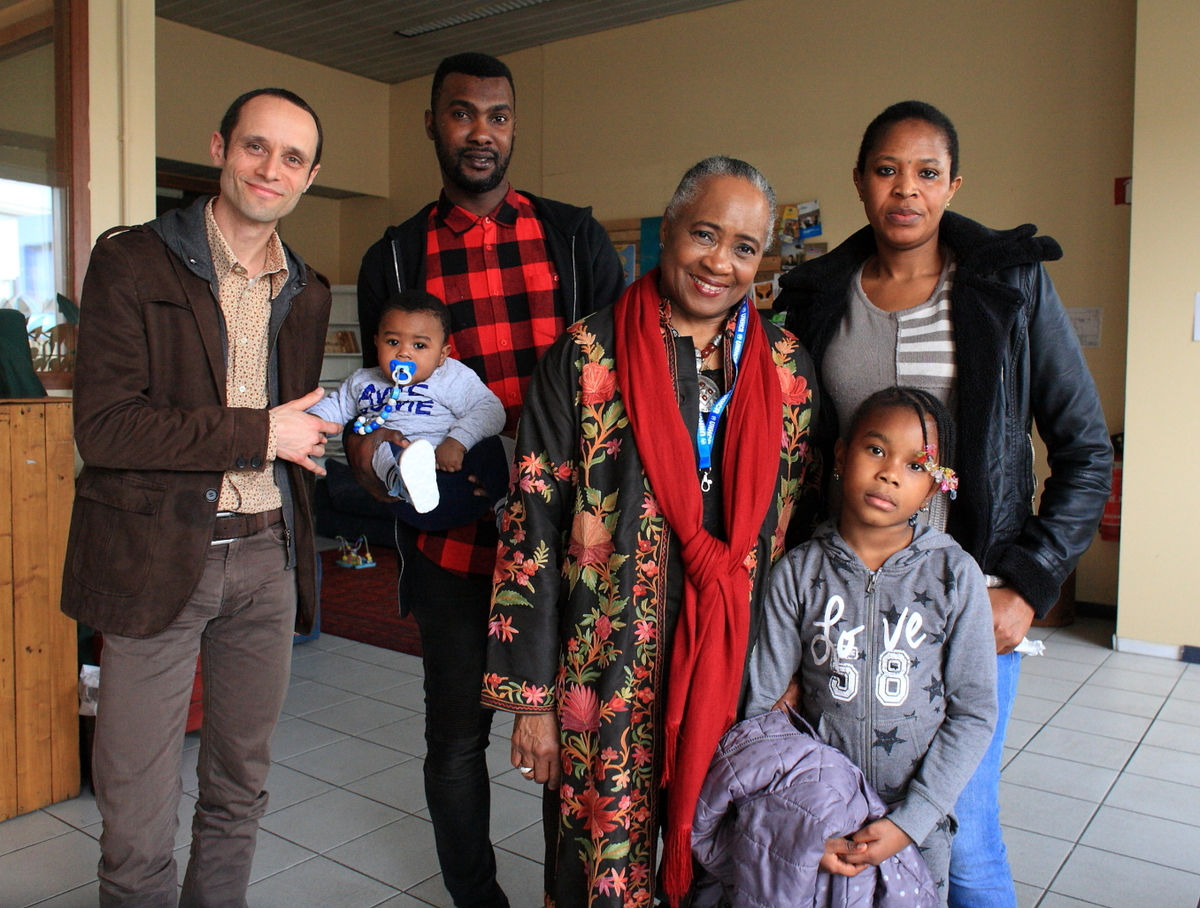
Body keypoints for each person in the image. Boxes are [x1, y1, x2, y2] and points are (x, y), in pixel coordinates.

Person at [773, 100, 1112, 908]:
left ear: (954, 184)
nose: (906, 190)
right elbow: (794, 459)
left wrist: (1026, 583)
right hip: (842, 600)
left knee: (964, 832)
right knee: (847, 819)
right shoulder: (817, 297)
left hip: (966, 603)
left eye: (927, 172)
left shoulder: (1008, 285)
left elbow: (1084, 448)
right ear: (860, 182)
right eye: (887, 170)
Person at [483, 155, 817, 908]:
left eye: (744, 248)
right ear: (669, 230)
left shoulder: (788, 370)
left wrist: (796, 669)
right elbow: (531, 524)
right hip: (604, 667)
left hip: (741, 668)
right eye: (705, 234)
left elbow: (800, 542)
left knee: (728, 854)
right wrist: (532, 701)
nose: (719, 262)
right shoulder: (586, 356)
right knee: (599, 868)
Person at [350, 52, 624, 908]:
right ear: (432, 123)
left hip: (569, 544)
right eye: (462, 113)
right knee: (456, 742)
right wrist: (380, 469)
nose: (481, 132)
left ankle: (562, 895)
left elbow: (623, 385)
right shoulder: (396, 258)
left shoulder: (574, 240)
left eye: (498, 116)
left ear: (513, 127)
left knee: (573, 737)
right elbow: (376, 403)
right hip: (454, 546)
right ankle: (477, 899)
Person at [61, 88, 340, 906]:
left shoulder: (309, 290)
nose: (271, 168)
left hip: (266, 556)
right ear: (220, 148)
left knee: (239, 786)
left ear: (309, 177)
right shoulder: (132, 260)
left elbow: (292, 426)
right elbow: (106, 428)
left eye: (293, 157)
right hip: (156, 559)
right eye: (256, 146)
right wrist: (263, 433)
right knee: (135, 811)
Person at [744, 387, 996, 905]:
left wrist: (912, 821)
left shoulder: (954, 576)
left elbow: (973, 713)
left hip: (916, 832)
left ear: (934, 487)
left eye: (915, 465)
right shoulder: (798, 573)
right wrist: (800, 824)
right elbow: (761, 714)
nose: (890, 474)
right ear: (841, 456)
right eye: (876, 450)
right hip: (818, 820)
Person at [308, 290, 510, 531]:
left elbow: (490, 410)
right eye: (393, 342)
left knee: (499, 446)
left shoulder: (451, 376)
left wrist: (457, 442)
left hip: (459, 478)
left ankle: (509, 511)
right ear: (377, 343)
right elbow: (333, 408)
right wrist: (312, 422)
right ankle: (404, 481)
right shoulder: (363, 381)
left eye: (419, 345)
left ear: (442, 354)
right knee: (379, 441)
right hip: (404, 497)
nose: (403, 352)